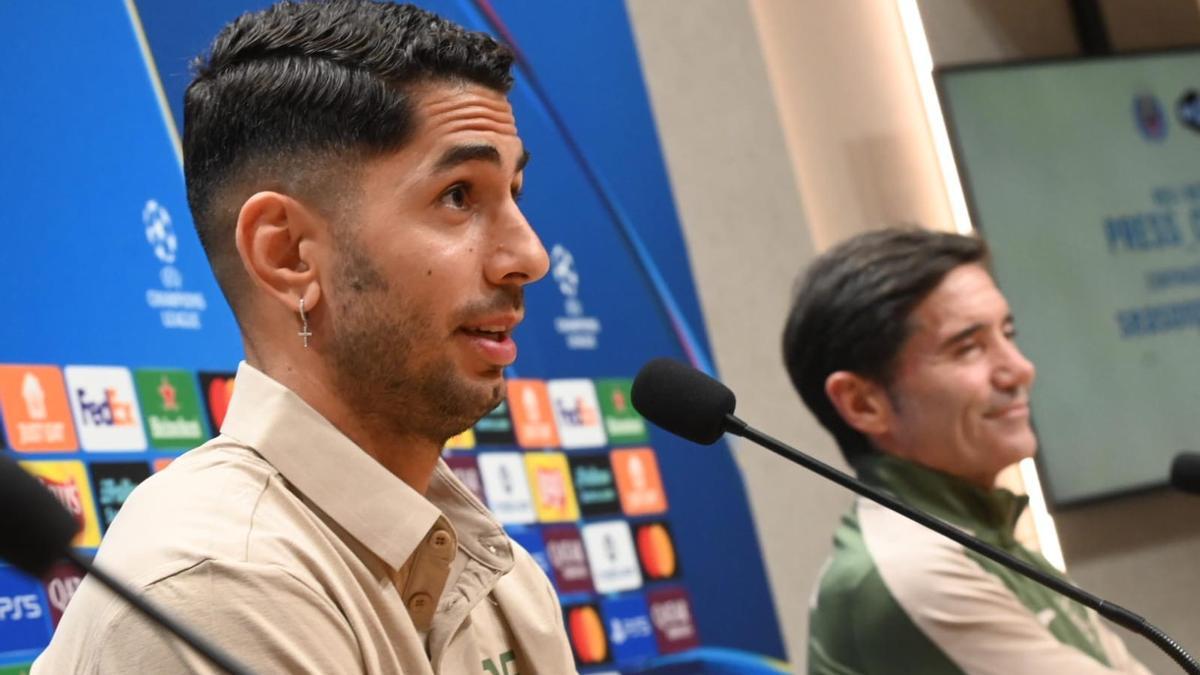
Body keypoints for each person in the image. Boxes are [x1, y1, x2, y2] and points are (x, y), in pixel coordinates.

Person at [35, 2, 576, 673]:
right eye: (459, 195)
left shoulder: (504, 577)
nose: (530, 255)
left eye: (515, 191)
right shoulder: (217, 584)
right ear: (287, 253)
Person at [782, 228, 1149, 674]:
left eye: (1008, 334)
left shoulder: (976, 532)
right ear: (863, 404)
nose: (1020, 369)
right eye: (969, 348)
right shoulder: (913, 571)